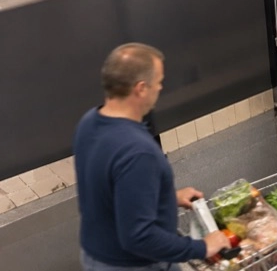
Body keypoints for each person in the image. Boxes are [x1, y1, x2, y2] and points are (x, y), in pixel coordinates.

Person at [74, 43, 229, 270]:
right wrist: (202, 247)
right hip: (135, 265)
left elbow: (110, 189)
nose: (160, 88)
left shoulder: (90, 122)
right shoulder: (137, 151)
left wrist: (166, 197)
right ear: (141, 88)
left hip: (96, 257)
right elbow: (139, 237)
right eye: (158, 82)